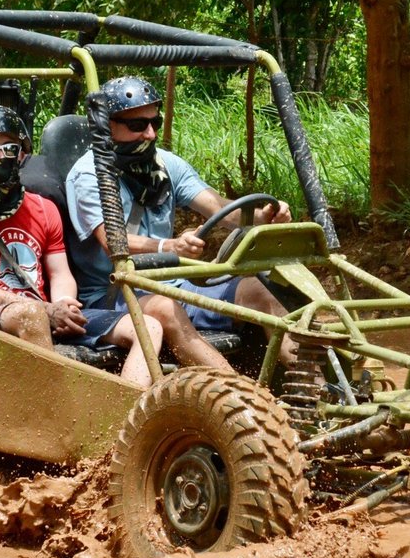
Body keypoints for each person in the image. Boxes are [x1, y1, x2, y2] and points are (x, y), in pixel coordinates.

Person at [65, 76, 296, 366]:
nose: (149, 134)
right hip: (113, 294)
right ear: (107, 125)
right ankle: (239, 402)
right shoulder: (88, 174)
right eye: (137, 125)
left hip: (174, 285)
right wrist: (169, 247)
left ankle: (315, 389)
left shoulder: (165, 163)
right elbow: (113, 243)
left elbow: (218, 207)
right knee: (165, 306)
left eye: (154, 123)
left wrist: (262, 217)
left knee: (263, 290)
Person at [0, 106, 163, 387]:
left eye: (9, 149)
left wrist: (63, 304)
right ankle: (57, 411)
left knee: (149, 327)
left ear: (22, 155)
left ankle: (127, 414)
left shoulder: (44, 209)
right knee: (30, 315)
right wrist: (46, 310)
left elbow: (59, 274)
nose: (0, 158)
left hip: (47, 312)